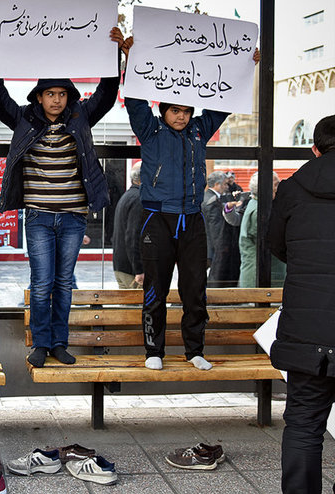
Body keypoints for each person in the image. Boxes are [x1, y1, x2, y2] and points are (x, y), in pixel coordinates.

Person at [0, 26, 124, 367]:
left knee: (63, 282)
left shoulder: (81, 116)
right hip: (40, 216)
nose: (56, 99)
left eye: (62, 93)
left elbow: (107, 90)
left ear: (69, 97)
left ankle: (60, 342)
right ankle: (41, 344)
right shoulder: (24, 119)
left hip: (73, 217)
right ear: (39, 97)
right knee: (41, 281)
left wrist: (113, 53)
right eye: (50, 94)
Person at [121, 35, 260, 371]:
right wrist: (131, 56)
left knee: (195, 290)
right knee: (155, 290)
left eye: (185, 111)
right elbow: (135, 100)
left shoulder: (200, 130)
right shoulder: (150, 131)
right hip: (158, 219)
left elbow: (223, 101)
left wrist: (246, 66)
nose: (181, 117)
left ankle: (194, 350)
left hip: (192, 221)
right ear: (163, 111)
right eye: (174, 111)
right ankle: (154, 352)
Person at [268, 115, 335, 494]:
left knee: (304, 426)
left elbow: (277, 245)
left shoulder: (293, 188)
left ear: (315, 148)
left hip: (306, 332)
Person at [238, 171, 285, 288]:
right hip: (260, 275)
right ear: (264, 188)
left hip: (260, 272)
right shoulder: (259, 211)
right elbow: (271, 240)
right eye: (276, 184)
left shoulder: (256, 204)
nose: (280, 187)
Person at [204, 171, 241, 287]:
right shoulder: (213, 202)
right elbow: (216, 229)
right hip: (214, 248)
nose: (227, 187)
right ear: (217, 184)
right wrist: (222, 249)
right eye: (225, 184)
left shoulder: (207, 197)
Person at [112, 162, 143, 289]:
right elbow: (133, 236)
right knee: (137, 307)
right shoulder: (139, 199)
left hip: (122, 265)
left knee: (128, 307)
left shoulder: (127, 196)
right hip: (131, 269)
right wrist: (139, 270)